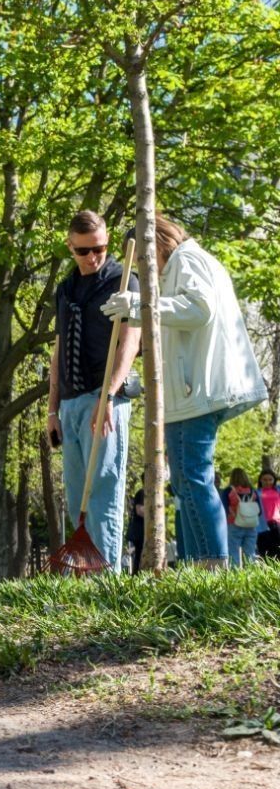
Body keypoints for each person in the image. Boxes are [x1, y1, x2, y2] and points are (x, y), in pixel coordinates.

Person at [102, 216, 266, 568]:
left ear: (156, 243)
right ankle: (196, 565)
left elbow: (199, 309)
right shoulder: (186, 263)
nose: (148, 270)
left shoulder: (186, 260)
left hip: (196, 391)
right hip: (191, 391)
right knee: (186, 484)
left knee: (192, 478)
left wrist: (139, 304)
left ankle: (211, 566)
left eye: (146, 260)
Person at [48, 210, 141, 573]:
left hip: (106, 400)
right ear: (70, 247)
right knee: (77, 499)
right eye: (84, 251)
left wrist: (109, 395)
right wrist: (52, 410)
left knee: (102, 493)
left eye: (99, 248)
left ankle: (108, 581)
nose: (93, 257)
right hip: (69, 404)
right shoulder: (65, 289)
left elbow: (130, 344)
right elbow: (57, 352)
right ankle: (88, 577)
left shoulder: (123, 281)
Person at [224, 468, 260, 568]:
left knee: (233, 553)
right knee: (250, 553)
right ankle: (251, 575)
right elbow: (259, 510)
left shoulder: (228, 491)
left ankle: (235, 577)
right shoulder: (252, 491)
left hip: (234, 524)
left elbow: (223, 508)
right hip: (251, 525)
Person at [257, 469, 280, 560]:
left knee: (278, 550)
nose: (268, 482)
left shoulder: (278, 490)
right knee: (264, 552)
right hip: (262, 525)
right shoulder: (256, 492)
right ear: (260, 480)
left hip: (277, 523)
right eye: (265, 480)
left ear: (274, 480)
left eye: (270, 479)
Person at [126, 486, 145, 573]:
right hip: (140, 531)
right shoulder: (142, 492)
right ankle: (137, 574)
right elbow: (139, 510)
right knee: (139, 554)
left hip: (143, 530)